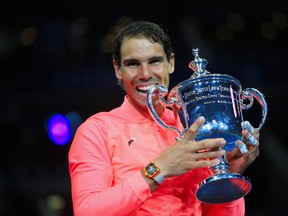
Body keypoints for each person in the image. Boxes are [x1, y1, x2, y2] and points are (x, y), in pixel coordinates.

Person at [68, 20, 260, 215]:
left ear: (171, 63)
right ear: (118, 70)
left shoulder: (194, 127)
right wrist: (159, 169)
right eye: (133, 64)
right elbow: (87, 211)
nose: (145, 74)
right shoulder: (96, 131)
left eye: (154, 61)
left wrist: (230, 175)